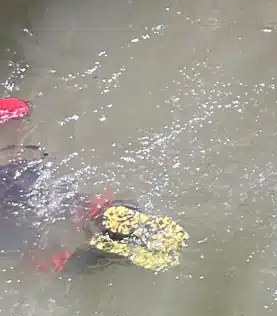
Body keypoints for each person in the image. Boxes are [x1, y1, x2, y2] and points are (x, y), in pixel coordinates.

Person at [0, 97, 186, 273]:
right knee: (72, 205)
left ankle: (103, 247)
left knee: (57, 253)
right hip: (29, 191)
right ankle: (105, 216)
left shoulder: (19, 159)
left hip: (23, 215)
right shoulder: (25, 159)